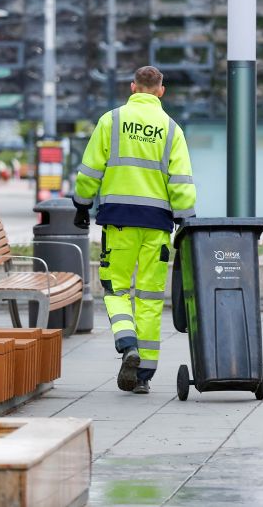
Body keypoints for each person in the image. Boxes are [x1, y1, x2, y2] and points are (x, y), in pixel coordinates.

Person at [72, 66, 197, 395]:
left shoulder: (110, 121)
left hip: (120, 220)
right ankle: (142, 375)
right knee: (150, 297)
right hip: (158, 226)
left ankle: (127, 343)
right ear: (161, 91)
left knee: (115, 288)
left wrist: (82, 205)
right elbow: (181, 180)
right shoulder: (171, 129)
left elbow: (90, 170)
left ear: (132, 87)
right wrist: (185, 218)